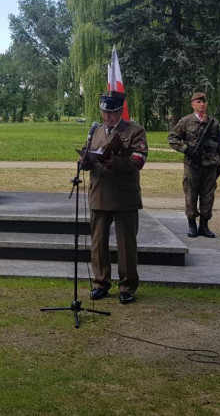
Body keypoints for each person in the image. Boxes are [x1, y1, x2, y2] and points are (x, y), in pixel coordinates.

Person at [83, 90, 148, 304]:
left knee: (125, 243)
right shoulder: (95, 130)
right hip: (100, 191)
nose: (106, 117)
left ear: (120, 111)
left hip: (124, 195)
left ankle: (127, 286)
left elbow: (139, 160)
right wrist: (84, 161)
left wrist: (116, 162)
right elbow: (87, 152)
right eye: (104, 112)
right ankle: (100, 282)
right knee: (98, 242)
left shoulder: (134, 131)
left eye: (111, 113)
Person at [167, 92, 220, 238]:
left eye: (204, 102)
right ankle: (192, 225)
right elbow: (172, 139)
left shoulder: (214, 122)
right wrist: (187, 150)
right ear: (192, 104)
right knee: (191, 195)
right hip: (192, 165)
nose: (202, 104)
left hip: (210, 163)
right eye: (198, 102)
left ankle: (204, 226)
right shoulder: (185, 121)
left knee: (208, 195)